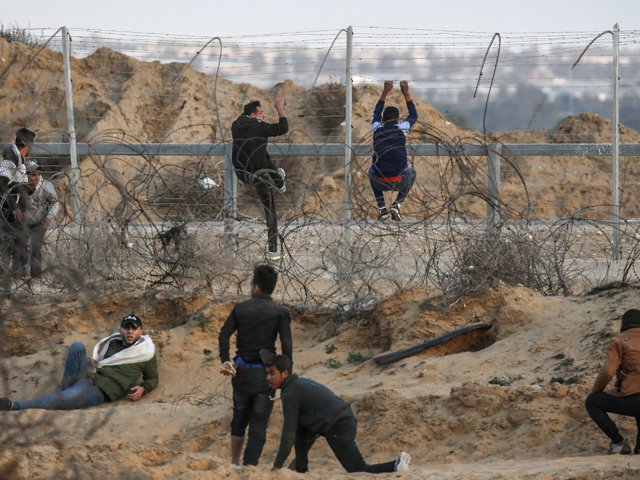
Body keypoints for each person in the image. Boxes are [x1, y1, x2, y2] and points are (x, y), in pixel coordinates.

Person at [266, 354, 411, 473]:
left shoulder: (290, 393)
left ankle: (397, 465)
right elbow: (299, 433)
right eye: (268, 373)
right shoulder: (297, 384)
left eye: (272, 373)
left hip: (339, 425)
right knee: (301, 430)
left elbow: (287, 435)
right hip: (340, 419)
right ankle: (301, 470)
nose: (268, 378)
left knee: (358, 470)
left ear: (285, 374)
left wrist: (276, 467)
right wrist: (298, 467)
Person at [0, 314, 158, 411]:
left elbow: (153, 378)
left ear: (140, 331)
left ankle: (14, 405)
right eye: (126, 327)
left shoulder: (146, 353)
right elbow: (103, 362)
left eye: (134, 328)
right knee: (77, 347)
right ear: (121, 329)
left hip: (99, 391)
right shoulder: (113, 342)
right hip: (88, 379)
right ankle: (68, 392)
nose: (130, 331)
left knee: (54, 399)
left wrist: (144, 388)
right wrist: (94, 363)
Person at [218, 264, 293, 466]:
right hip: (265, 375)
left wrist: (225, 361)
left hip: (241, 372)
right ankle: (250, 466)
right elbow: (286, 344)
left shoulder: (240, 309)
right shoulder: (280, 312)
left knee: (240, 417)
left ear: (256, 287)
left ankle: (234, 463)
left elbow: (224, 335)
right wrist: (286, 374)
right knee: (259, 421)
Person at [231, 99, 288, 259]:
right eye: (261, 112)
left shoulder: (235, 125)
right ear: (253, 114)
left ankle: (279, 181)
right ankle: (273, 250)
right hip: (259, 174)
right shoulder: (259, 126)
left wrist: (259, 122)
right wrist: (280, 109)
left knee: (262, 151)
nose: (264, 115)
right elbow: (283, 128)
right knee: (270, 208)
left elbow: (250, 132)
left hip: (241, 171)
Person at [585, 308, 640, 455]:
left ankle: (618, 442)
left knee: (592, 401)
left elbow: (608, 371)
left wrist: (596, 390)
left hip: (634, 398)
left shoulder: (619, 341)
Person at [369, 81, 418, 221]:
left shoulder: (376, 129)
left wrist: (385, 91)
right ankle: (397, 205)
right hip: (399, 180)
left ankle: (382, 208)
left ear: (383, 120)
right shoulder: (402, 129)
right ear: (397, 120)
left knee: (371, 170)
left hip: (380, 181)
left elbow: (376, 112)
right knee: (412, 172)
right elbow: (413, 115)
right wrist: (406, 92)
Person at [11, 161, 59, 277]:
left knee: (36, 246)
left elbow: (54, 201)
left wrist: (48, 218)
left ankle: (36, 275)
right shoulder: (17, 187)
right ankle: (20, 273)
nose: (37, 177)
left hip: (40, 222)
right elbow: (9, 200)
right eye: (33, 175)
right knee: (20, 245)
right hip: (24, 223)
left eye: (38, 174)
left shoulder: (45, 187)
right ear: (25, 175)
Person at [0, 128, 35, 277]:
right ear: (28, 143)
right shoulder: (11, 154)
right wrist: (14, 207)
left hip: (17, 214)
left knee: (19, 248)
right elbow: (1, 182)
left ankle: (18, 282)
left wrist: (30, 188)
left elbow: (17, 188)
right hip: (7, 212)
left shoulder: (21, 160)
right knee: (7, 246)